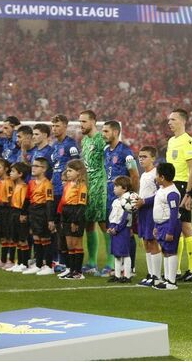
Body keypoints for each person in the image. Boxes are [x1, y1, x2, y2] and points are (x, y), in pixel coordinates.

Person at [102, 121, 139, 277]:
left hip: (125, 199)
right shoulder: (106, 150)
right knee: (114, 230)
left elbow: (135, 175)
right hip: (112, 198)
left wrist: (132, 197)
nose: (103, 134)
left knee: (127, 232)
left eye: (106, 131)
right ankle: (119, 266)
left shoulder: (126, 151)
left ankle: (131, 267)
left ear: (116, 132)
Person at [166, 109, 192, 282]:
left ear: (182, 121)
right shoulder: (172, 141)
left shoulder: (187, 140)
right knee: (175, 227)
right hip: (171, 185)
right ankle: (176, 269)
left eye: (173, 119)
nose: (169, 122)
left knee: (186, 226)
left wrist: (189, 192)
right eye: (169, 120)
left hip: (182, 185)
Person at [79, 110, 108, 276]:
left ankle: (110, 264)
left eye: (84, 122)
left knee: (104, 224)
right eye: (80, 121)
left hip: (100, 186)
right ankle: (92, 262)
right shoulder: (84, 140)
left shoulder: (100, 139)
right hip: (88, 186)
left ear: (93, 122)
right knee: (89, 224)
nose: (81, 125)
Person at [50, 114, 80, 272]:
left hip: (67, 193)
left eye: (57, 126)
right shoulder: (54, 145)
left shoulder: (71, 145)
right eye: (53, 126)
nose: (54, 129)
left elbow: (77, 166)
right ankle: (58, 260)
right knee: (55, 227)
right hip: (55, 190)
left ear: (65, 126)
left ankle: (68, 263)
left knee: (65, 228)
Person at [136, 146, 163, 287]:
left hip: (151, 211)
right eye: (140, 156)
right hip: (142, 211)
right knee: (146, 242)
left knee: (152, 242)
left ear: (153, 158)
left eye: (144, 156)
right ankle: (151, 274)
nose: (141, 159)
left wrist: (144, 201)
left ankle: (157, 276)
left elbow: (159, 194)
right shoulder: (143, 174)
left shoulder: (156, 174)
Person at [23, 157, 56, 275]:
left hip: (42, 212)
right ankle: (38, 264)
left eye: (36, 166)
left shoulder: (47, 184)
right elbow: (27, 199)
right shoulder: (31, 183)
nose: (33, 168)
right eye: (33, 165)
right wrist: (24, 213)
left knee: (45, 239)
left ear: (44, 169)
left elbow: (49, 202)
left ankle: (48, 265)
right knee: (36, 238)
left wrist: (50, 219)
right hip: (33, 211)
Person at [152, 162, 181, 290]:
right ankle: (168, 279)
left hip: (169, 224)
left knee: (171, 251)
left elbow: (174, 213)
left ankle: (172, 282)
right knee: (166, 251)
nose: (155, 177)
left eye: (157, 174)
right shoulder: (162, 189)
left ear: (162, 177)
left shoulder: (172, 193)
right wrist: (155, 226)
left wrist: (170, 231)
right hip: (161, 225)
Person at [59, 159, 89, 280]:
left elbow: (82, 205)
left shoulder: (82, 186)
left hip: (75, 214)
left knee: (77, 243)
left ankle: (78, 272)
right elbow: (63, 202)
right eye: (67, 170)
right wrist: (62, 219)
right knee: (69, 244)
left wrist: (75, 221)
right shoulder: (67, 185)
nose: (68, 173)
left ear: (79, 172)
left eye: (70, 171)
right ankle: (71, 270)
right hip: (66, 213)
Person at [107, 176, 134, 284]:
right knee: (117, 253)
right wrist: (110, 227)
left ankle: (127, 275)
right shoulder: (115, 201)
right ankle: (117, 275)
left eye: (116, 186)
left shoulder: (127, 201)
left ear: (124, 188)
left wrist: (117, 228)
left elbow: (126, 217)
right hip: (115, 228)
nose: (114, 188)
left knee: (125, 253)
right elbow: (112, 215)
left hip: (122, 229)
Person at [7, 162, 32, 273]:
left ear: (20, 174)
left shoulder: (23, 187)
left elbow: (24, 203)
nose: (10, 173)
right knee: (16, 238)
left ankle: (24, 263)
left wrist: (23, 214)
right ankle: (19, 262)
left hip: (20, 213)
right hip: (13, 212)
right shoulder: (15, 186)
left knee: (23, 239)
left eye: (13, 171)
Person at [0, 158, 14, 269]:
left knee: (8, 235)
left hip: (7, 210)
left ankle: (11, 260)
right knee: (2, 236)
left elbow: (10, 198)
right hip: (0, 210)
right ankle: (3, 259)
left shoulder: (9, 182)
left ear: (6, 169)